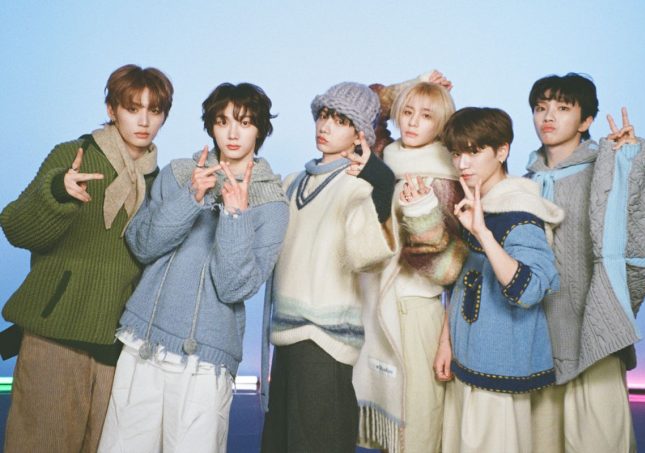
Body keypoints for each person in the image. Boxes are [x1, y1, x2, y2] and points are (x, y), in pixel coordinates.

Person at [96, 82, 288, 452]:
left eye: (245, 122)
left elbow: (233, 287)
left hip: (205, 361)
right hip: (143, 344)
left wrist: (235, 215)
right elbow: (142, 245)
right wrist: (191, 197)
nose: (232, 133)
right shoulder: (180, 173)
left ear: (260, 129)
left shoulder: (271, 205)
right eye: (222, 121)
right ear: (211, 125)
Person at [0, 64, 173, 453]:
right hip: (56, 336)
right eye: (132, 108)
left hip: (117, 346)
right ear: (112, 110)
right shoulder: (74, 155)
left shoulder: (158, 180)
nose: (144, 120)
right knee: (41, 445)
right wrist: (58, 192)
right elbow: (16, 228)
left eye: (154, 110)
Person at [525, 73, 645, 452]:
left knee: (598, 440)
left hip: (594, 326)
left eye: (563, 108)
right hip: (540, 334)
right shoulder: (526, 183)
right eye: (541, 107)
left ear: (586, 120)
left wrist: (632, 159)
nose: (548, 116)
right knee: (541, 441)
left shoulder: (606, 169)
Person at [408, 107, 563, 452]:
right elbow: (461, 283)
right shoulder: (475, 204)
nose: (463, 163)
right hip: (467, 361)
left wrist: (483, 234)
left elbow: (531, 289)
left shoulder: (520, 212)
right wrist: (446, 343)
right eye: (456, 153)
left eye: (475, 151)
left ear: (502, 151)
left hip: (500, 368)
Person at [260, 81, 396, 453]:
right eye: (323, 115)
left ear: (360, 133)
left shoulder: (359, 185)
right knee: (279, 444)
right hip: (285, 333)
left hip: (326, 338)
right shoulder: (292, 182)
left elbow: (369, 256)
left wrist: (379, 181)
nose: (325, 126)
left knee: (318, 443)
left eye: (340, 120)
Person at [352, 80, 466, 453]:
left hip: (415, 305)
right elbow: (366, 107)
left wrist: (420, 218)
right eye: (407, 112)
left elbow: (449, 267)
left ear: (442, 123)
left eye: (427, 115)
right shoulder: (385, 158)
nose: (413, 122)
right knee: (391, 419)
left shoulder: (447, 175)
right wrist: (414, 83)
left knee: (416, 419)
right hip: (374, 300)